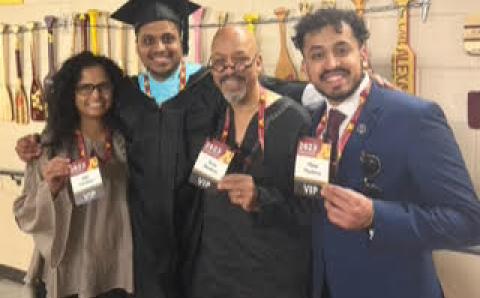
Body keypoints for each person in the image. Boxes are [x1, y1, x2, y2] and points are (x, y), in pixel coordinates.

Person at [291, 8, 480, 298]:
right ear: (305, 67)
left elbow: (468, 222)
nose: (331, 63)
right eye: (317, 55)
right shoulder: (312, 122)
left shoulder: (414, 118)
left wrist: (375, 216)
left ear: (363, 53)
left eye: (342, 50)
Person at [187, 25, 311, 298]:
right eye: (219, 62)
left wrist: (262, 198)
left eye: (240, 59)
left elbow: (313, 209)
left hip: (272, 279)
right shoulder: (216, 116)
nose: (229, 69)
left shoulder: (297, 122)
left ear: (258, 64)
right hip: (215, 276)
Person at [13, 52, 132, 298]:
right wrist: (51, 189)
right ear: (71, 93)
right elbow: (25, 213)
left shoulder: (127, 141)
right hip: (72, 273)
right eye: (85, 88)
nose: (96, 95)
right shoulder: (49, 147)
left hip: (118, 270)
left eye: (103, 86)